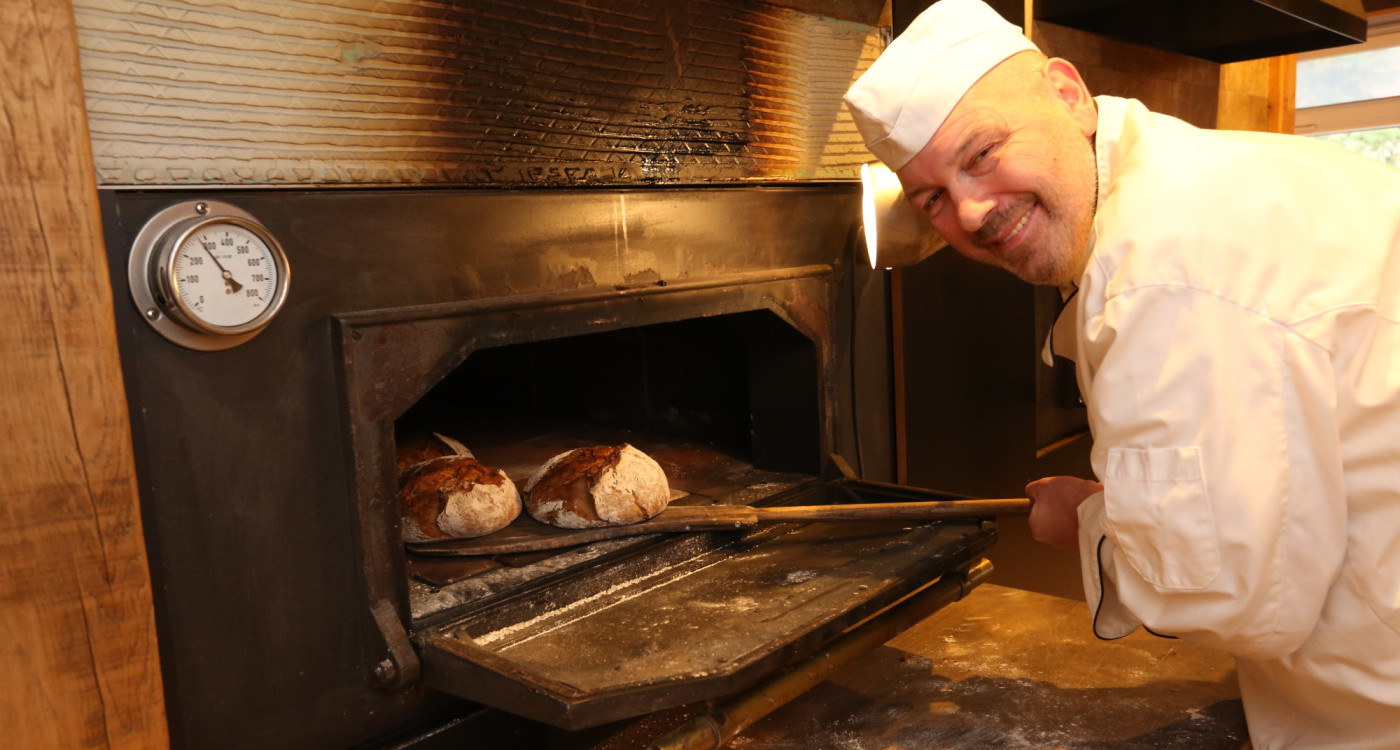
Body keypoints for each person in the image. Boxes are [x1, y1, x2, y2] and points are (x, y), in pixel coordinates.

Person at [842, 0, 1400, 747]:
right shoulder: (1196, 175)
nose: (969, 213)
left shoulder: (1161, 271)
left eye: (982, 153)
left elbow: (1237, 598)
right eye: (933, 197)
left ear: (1067, 93)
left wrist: (1088, 521)